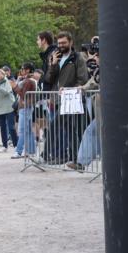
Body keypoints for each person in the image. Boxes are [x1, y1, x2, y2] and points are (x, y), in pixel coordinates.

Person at [44, 32, 89, 164]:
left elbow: (83, 79)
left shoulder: (78, 58)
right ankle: (75, 158)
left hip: (71, 98)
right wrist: (53, 64)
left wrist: (70, 91)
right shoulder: (55, 57)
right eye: (59, 43)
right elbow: (49, 79)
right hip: (58, 99)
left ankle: (44, 154)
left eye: (64, 42)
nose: (61, 45)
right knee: (69, 130)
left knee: (55, 126)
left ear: (70, 42)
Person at [11, 62, 39, 160]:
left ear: (27, 70)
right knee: (28, 130)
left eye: (22, 69)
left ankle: (18, 151)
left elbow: (23, 94)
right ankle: (31, 151)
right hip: (26, 107)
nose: (21, 71)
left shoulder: (29, 81)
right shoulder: (29, 80)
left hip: (25, 107)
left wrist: (15, 87)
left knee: (22, 130)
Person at [0, 69, 17, 152]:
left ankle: (16, 145)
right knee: (2, 128)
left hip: (9, 107)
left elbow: (6, 92)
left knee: (11, 127)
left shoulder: (7, 82)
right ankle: (5, 146)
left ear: (3, 75)